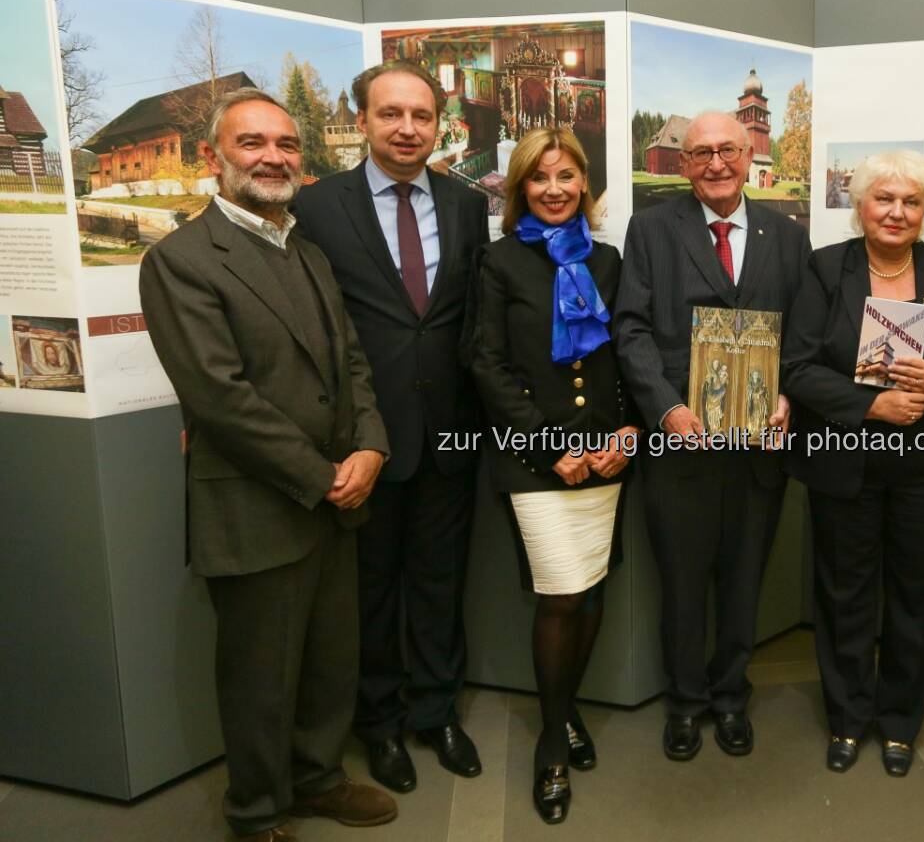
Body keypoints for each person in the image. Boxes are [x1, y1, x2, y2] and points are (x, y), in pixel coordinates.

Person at [138, 89, 396, 842]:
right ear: (215, 156)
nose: (273, 156)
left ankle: (317, 780)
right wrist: (324, 475)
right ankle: (255, 814)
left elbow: (352, 362)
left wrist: (372, 445)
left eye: (285, 143)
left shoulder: (305, 250)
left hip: (337, 500)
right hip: (258, 505)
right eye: (252, 143)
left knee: (327, 660)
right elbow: (220, 398)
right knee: (259, 676)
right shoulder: (181, 260)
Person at [293, 61, 490, 793]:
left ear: (440, 123)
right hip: (364, 441)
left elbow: (469, 318)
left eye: (422, 115)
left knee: (442, 584)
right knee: (371, 594)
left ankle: (438, 713)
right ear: (364, 120)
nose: (408, 129)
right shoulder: (319, 208)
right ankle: (379, 726)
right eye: (390, 114)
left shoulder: (467, 205)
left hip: (451, 434)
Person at [782, 150, 924, 776]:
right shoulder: (826, 270)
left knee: (916, 594)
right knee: (845, 595)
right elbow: (796, 368)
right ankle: (849, 720)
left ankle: (900, 722)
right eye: (884, 198)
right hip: (845, 463)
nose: (897, 212)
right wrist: (870, 405)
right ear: (859, 207)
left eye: (911, 201)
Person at [614, 111, 810, 760]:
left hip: (759, 449)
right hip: (680, 445)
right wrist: (666, 409)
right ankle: (685, 704)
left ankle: (730, 698)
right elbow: (632, 329)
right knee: (682, 584)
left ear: (751, 152)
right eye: (701, 153)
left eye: (729, 149)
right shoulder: (649, 230)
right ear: (683, 164)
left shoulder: (787, 235)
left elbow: (805, 338)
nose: (717, 163)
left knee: (743, 580)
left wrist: (788, 395)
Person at [466, 128, 637, 824]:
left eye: (567, 176)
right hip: (536, 458)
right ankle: (551, 743)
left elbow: (627, 354)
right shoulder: (500, 262)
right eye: (540, 178)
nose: (556, 189)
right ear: (519, 189)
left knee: (592, 588)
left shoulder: (610, 259)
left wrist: (632, 431)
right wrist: (547, 446)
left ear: (585, 184)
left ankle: (565, 714)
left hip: (607, 457)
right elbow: (485, 363)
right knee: (561, 594)